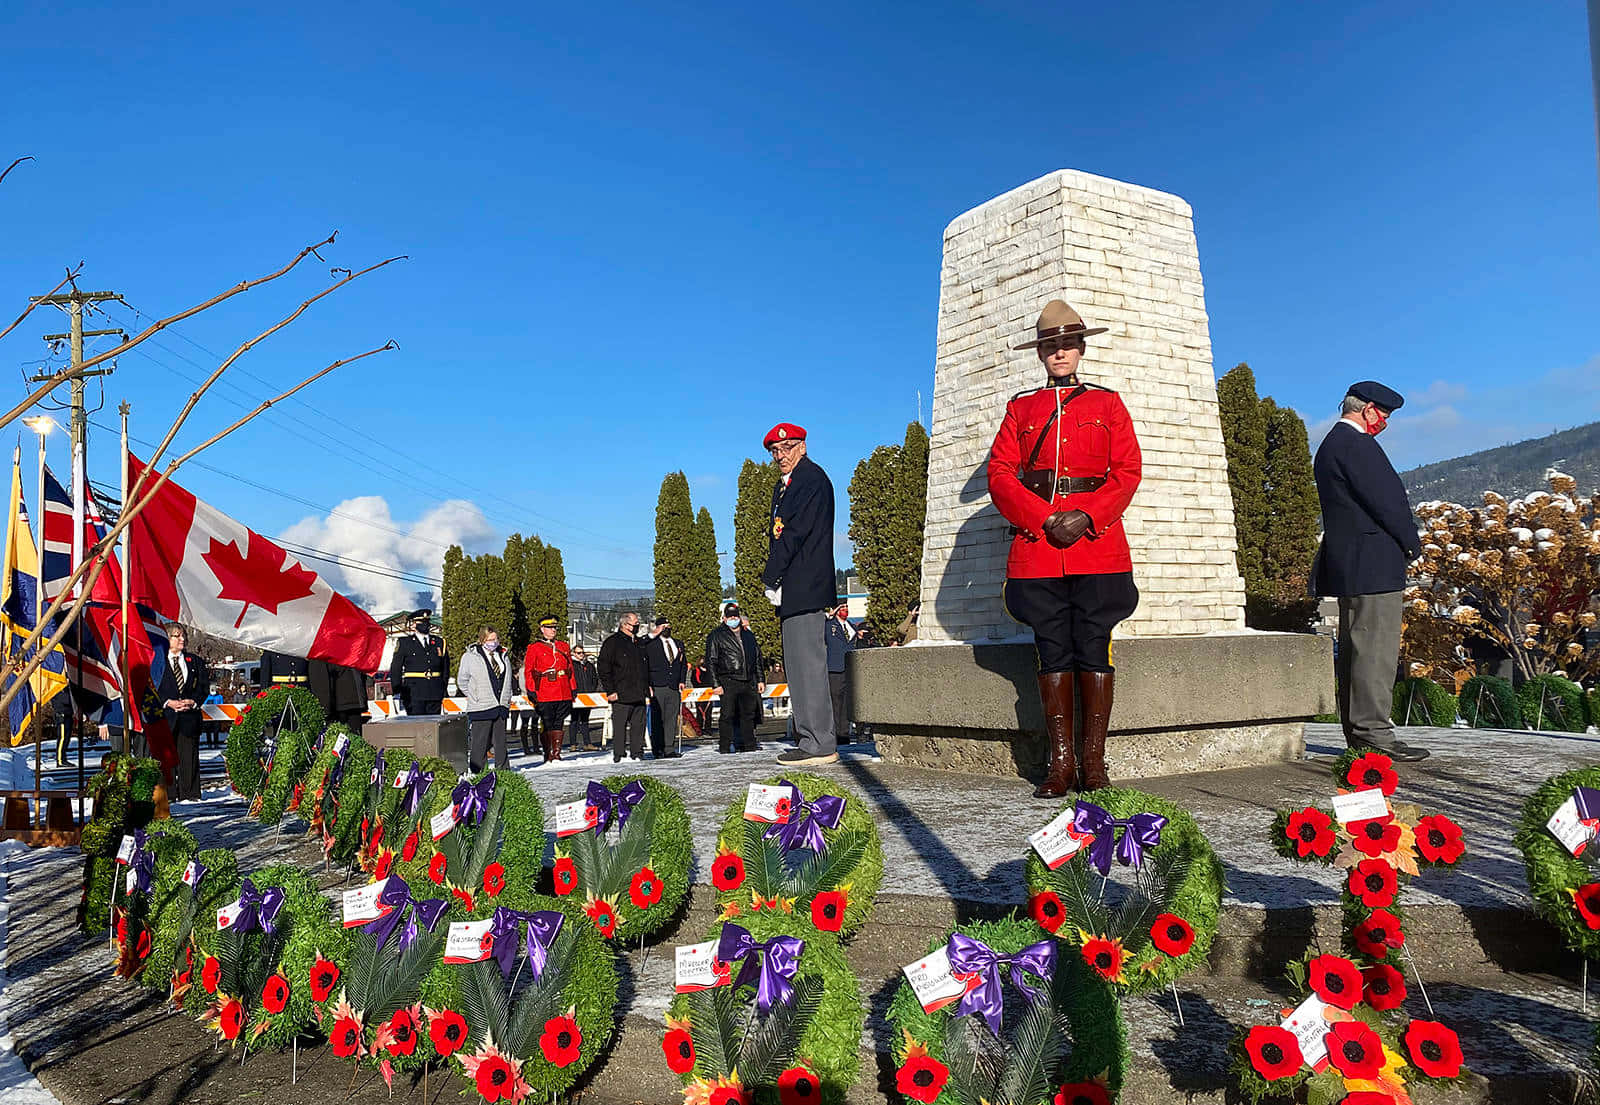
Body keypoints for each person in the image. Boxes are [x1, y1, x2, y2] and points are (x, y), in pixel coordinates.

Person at [987, 299, 1143, 798]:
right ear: (1041, 353)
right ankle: (1060, 765)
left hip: (1096, 545)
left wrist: (1089, 515)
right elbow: (1000, 476)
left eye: (1067, 344)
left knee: (1094, 645)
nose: (1060, 352)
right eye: (1050, 345)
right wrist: (1044, 517)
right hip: (1038, 545)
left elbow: (1127, 472)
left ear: (1080, 348)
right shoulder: (1021, 408)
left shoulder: (1108, 404)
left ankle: (1093, 765)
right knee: (1052, 650)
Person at [1311, 381, 1429, 762]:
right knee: (1374, 652)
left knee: (1356, 650)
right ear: (1367, 410)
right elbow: (1387, 502)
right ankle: (1374, 733)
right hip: (1373, 563)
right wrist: (1412, 542)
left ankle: (1361, 733)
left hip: (1352, 563)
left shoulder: (1332, 444)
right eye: (1385, 415)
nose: (1386, 423)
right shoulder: (1356, 445)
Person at [760, 422, 839, 766]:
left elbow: (794, 533)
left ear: (802, 447)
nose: (780, 456)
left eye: (786, 448)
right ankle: (809, 738)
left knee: (808, 666)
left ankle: (819, 741)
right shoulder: (786, 486)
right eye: (775, 451)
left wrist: (771, 575)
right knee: (797, 666)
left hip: (804, 583)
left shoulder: (810, 480)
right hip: (795, 586)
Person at [156, 623, 208, 800]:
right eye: (177, 636)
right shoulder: (158, 661)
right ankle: (169, 794)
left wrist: (193, 702)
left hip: (189, 718)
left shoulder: (195, 662)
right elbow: (152, 687)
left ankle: (190, 794)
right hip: (166, 718)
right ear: (167, 639)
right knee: (166, 759)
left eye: (183, 636)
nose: (182, 639)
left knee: (189, 758)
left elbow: (203, 687)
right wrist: (167, 702)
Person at [706, 602, 765, 753]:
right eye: (730, 616)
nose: (733, 619)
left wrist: (760, 679)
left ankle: (749, 745)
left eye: (735, 616)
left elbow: (757, 658)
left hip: (748, 680)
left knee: (748, 715)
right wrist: (715, 684)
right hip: (728, 680)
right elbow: (711, 660)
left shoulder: (748, 635)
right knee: (727, 715)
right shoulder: (717, 635)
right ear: (724, 618)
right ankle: (725, 747)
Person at [458, 626, 513, 773]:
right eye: (489, 640)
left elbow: (507, 679)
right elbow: (462, 680)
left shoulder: (503, 655)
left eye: (495, 639)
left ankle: (504, 773)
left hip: (500, 705)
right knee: (479, 744)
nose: (493, 642)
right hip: (481, 706)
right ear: (482, 640)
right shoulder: (470, 657)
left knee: (501, 744)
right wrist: (474, 695)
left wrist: (507, 698)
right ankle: (478, 773)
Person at [597, 612, 650, 763]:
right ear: (625, 625)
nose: (637, 626)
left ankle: (637, 753)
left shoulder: (639, 643)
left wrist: (647, 687)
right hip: (620, 693)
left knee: (639, 726)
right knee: (620, 727)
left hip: (639, 692)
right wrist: (610, 690)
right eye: (634, 623)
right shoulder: (612, 643)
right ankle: (619, 754)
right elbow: (603, 668)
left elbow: (645, 667)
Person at [524, 617, 576, 762]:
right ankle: (548, 753)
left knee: (559, 721)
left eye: (555, 627)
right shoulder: (534, 648)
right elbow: (529, 671)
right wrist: (531, 689)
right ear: (542, 629)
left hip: (563, 689)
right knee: (547, 722)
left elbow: (570, 669)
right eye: (549, 627)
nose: (553, 630)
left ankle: (556, 753)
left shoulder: (563, 646)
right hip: (545, 691)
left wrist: (572, 687)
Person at [389, 609, 449, 715]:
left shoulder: (439, 642)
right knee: (417, 726)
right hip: (413, 693)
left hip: (435, 692)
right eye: (421, 623)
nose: (425, 625)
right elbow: (396, 668)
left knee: (433, 727)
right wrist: (397, 690)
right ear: (413, 625)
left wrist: (442, 688)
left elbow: (445, 668)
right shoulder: (405, 643)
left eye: (427, 623)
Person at [644, 616, 687, 759]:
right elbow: (646, 665)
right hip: (657, 686)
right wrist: (648, 684)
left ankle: (669, 748)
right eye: (663, 626)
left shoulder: (678, 644)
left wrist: (681, 680)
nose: (667, 628)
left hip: (674, 686)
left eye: (668, 626)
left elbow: (683, 665)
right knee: (657, 719)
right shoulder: (651, 645)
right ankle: (658, 749)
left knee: (671, 719)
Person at [308, 659, 368, 735]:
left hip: (341, 706)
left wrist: (324, 712)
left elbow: (320, 684)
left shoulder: (321, 653)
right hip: (352, 702)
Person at [825, 599, 856, 743]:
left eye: (847, 607)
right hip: (835, 669)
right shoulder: (829, 625)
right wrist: (828, 616)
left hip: (848, 669)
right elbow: (818, 631)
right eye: (842, 607)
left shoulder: (850, 626)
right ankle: (835, 734)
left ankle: (844, 734)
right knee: (835, 704)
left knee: (846, 704)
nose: (846, 610)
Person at [571, 645, 600, 750]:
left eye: (582, 652)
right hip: (576, 696)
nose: (581, 655)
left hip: (588, 695)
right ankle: (573, 744)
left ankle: (587, 743)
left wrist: (592, 690)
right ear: (574, 653)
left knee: (585, 720)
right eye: (579, 653)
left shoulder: (589, 665)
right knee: (574, 720)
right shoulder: (572, 665)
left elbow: (594, 678)